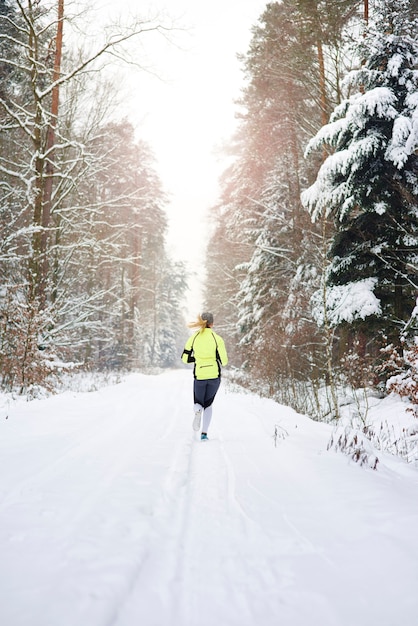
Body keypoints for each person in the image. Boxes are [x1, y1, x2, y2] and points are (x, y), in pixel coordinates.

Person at [181, 312, 228, 440]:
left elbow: (184, 358)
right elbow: (224, 361)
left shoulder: (194, 337)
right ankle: (204, 434)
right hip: (214, 375)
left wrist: (196, 358)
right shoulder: (217, 338)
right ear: (212, 323)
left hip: (199, 375)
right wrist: (215, 357)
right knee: (208, 404)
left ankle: (197, 411)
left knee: (198, 402)